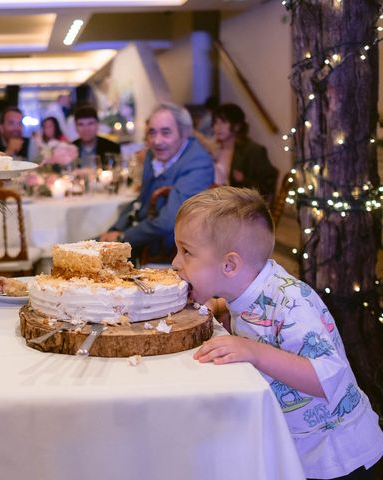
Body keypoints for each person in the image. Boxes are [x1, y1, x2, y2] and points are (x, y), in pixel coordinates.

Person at [173, 186, 383, 480]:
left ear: (230, 265)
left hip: (337, 454)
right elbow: (253, 307)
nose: (175, 263)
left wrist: (254, 352)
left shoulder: (292, 303)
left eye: (186, 252)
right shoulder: (244, 287)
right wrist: (220, 302)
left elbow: (328, 376)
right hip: (301, 444)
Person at [98, 102, 214, 260]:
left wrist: (122, 238)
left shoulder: (198, 163)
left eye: (166, 133)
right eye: (152, 133)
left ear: (184, 133)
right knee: (77, 250)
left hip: (163, 250)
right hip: (139, 236)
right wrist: (115, 229)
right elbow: (140, 201)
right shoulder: (153, 155)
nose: (157, 141)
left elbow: (168, 221)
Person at [204, 103, 278, 204]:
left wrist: (244, 180)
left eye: (223, 122)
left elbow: (267, 186)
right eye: (215, 123)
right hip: (215, 203)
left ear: (237, 126)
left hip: (241, 209)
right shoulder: (214, 150)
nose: (218, 127)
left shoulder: (253, 150)